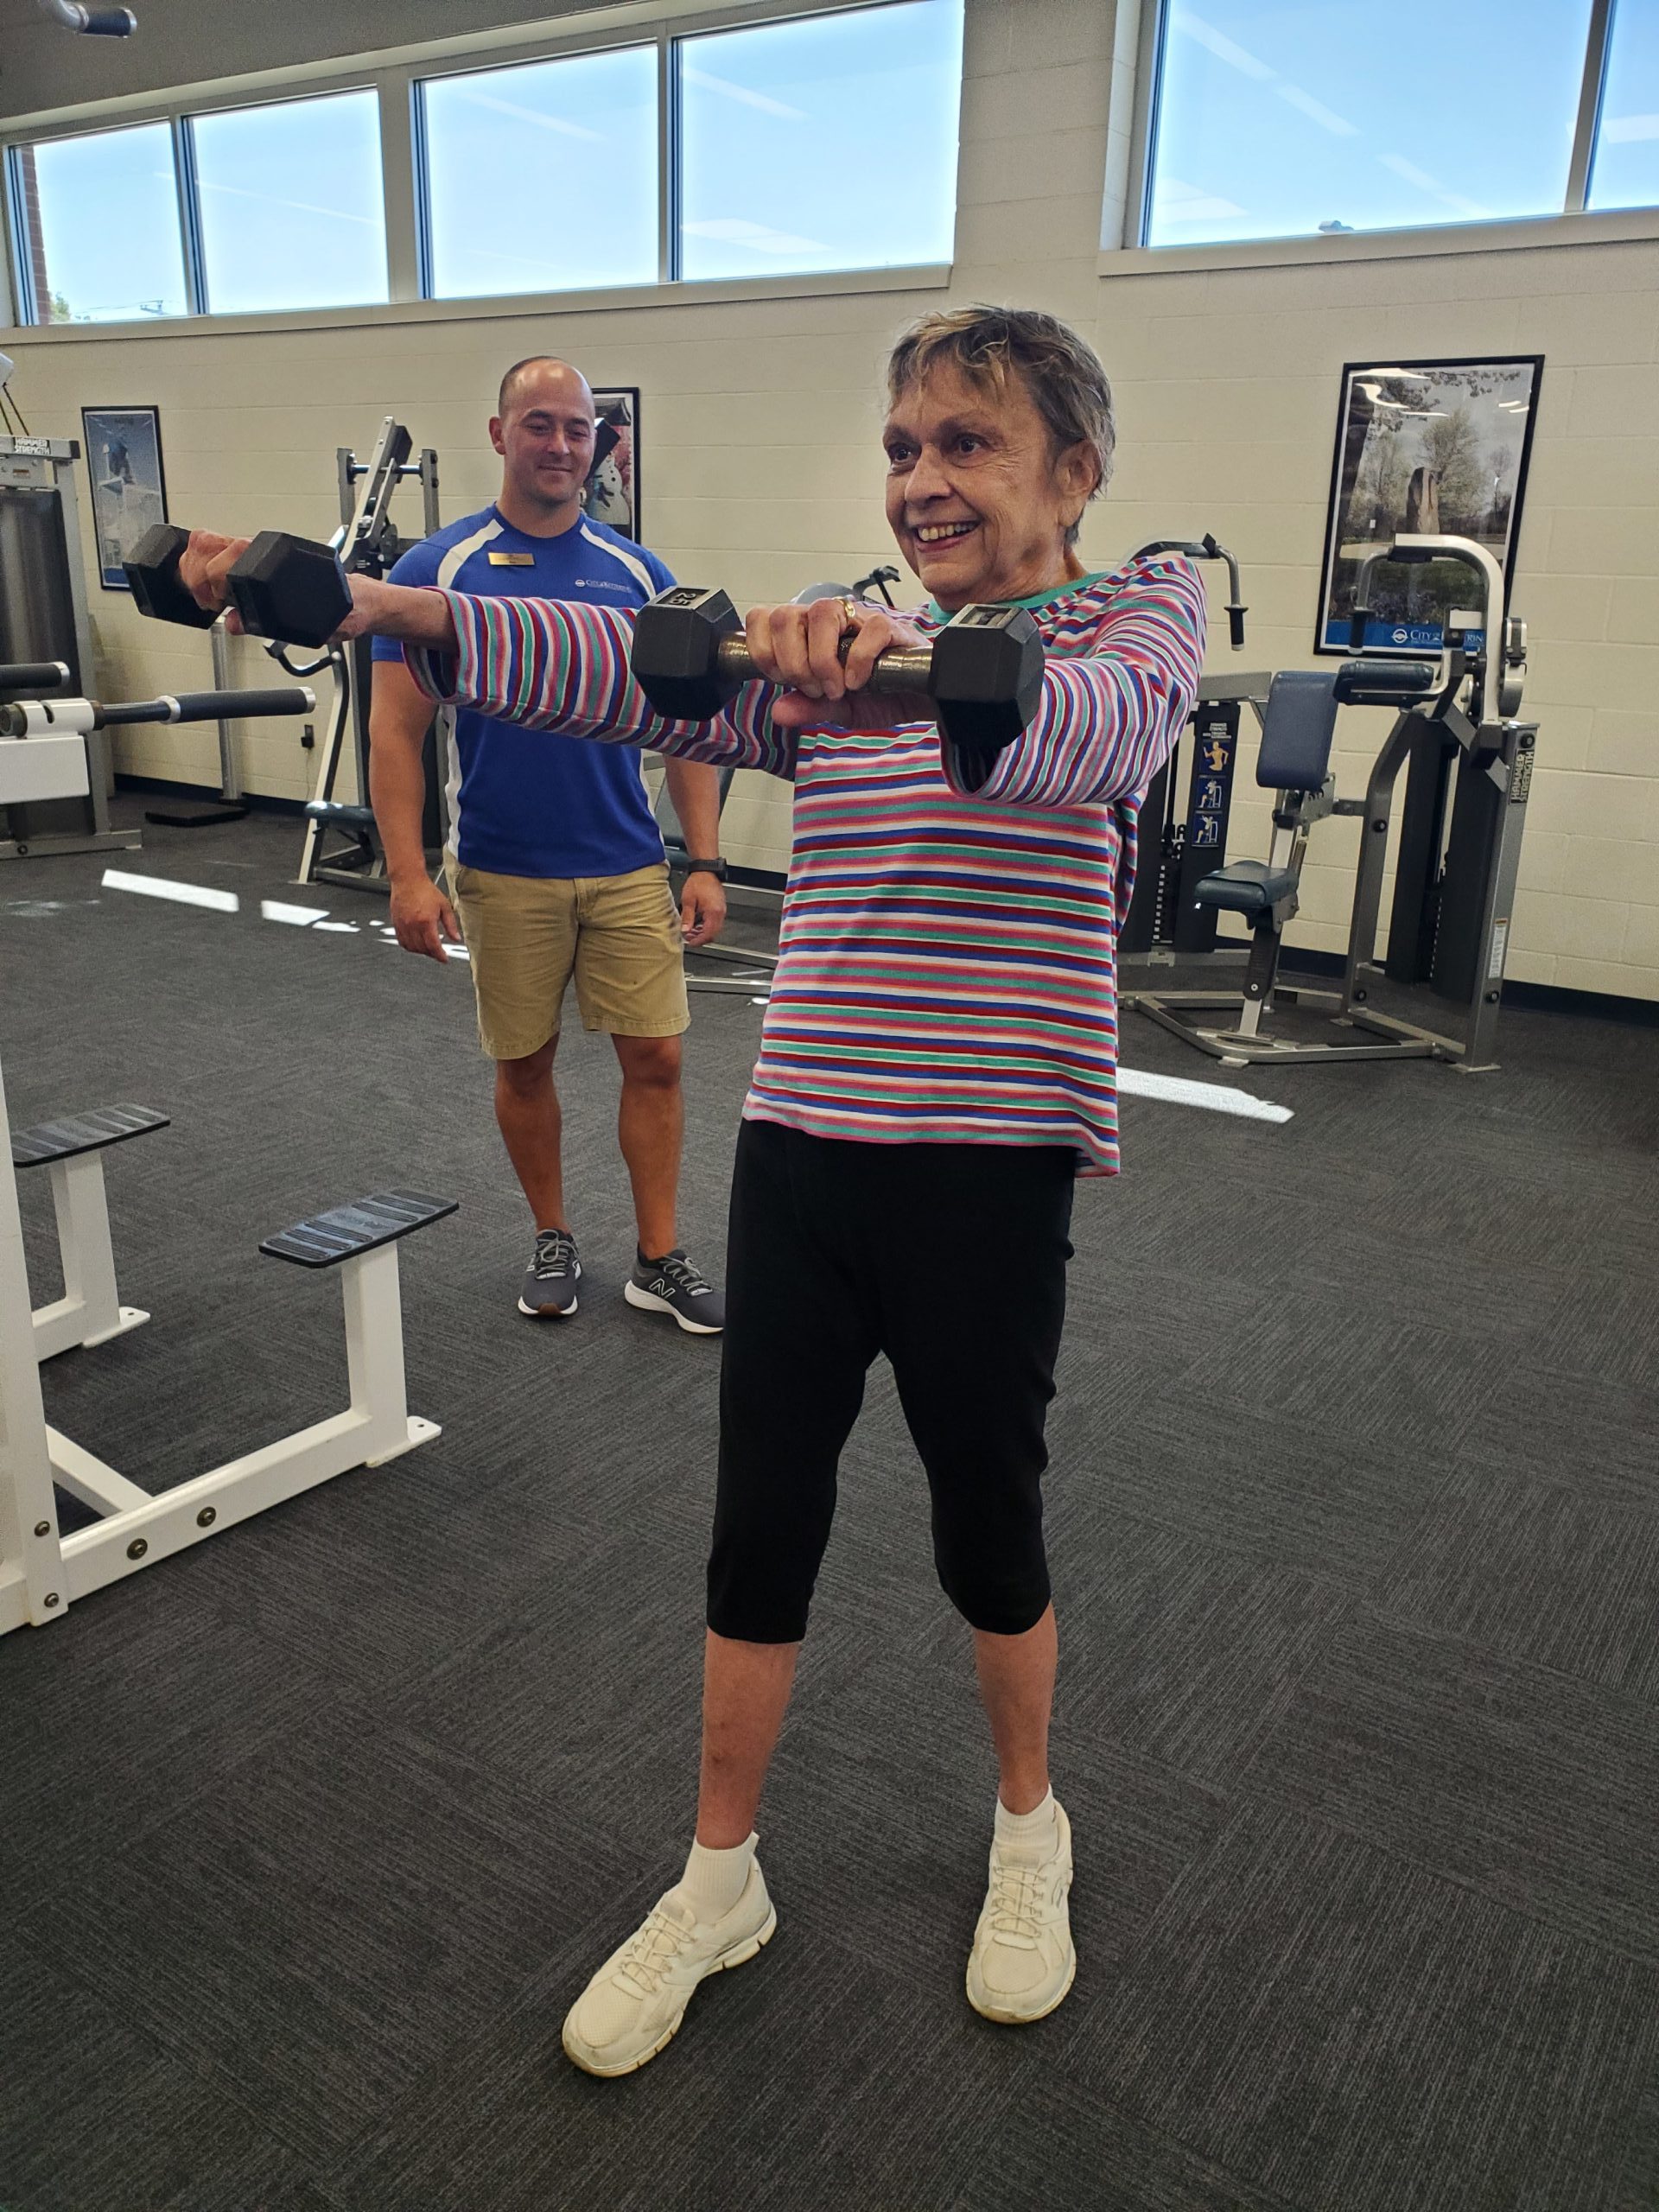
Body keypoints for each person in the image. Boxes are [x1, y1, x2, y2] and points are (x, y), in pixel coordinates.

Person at [178, 305, 1206, 2073]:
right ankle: (719, 1873)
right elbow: (608, 670)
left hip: (986, 1162)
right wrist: (370, 609)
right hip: (806, 1143)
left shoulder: (1143, 604)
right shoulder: (829, 623)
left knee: (988, 1519)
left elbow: (1091, 734)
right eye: (902, 447)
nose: (923, 477)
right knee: (760, 1524)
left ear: (1074, 469)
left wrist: (881, 653)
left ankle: (1027, 1824)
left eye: (966, 443)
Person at [369, 355, 728, 1334]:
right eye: (540, 425)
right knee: (524, 1063)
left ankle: (658, 1255)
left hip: (623, 862)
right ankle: (554, 1233)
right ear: (500, 435)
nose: (561, 445)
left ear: (597, 445)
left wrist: (703, 858)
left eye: (578, 429)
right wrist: (406, 872)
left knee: (656, 1057)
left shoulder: (638, 573)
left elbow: (691, 728)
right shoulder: (431, 572)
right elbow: (395, 732)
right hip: (502, 866)